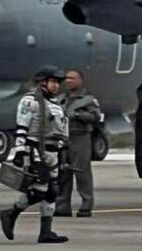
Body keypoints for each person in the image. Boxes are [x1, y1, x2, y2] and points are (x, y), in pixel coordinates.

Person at [0, 65, 70, 244]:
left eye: (58, 82)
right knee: (39, 190)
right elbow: (21, 128)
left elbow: (61, 129)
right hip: (36, 151)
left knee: (52, 191)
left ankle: (46, 232)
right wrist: (20, 150)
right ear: (42, 82)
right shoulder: (30, 101)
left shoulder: (56, 104)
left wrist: (63, 151)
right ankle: (11, 213)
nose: (56, 86)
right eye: (52, 81)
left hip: (53, 152)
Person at [56, 69, 102, 217]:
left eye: (72, 78)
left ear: (80, 81)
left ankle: (86, 205)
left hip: (80, 137)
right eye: (67, 78)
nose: (68, 81)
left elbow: (96, 117)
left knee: (82, 173)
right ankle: (62, 205)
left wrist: (78, 114)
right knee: (63, 173)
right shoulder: (61, 99)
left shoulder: (88, 100)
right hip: (63, 139)